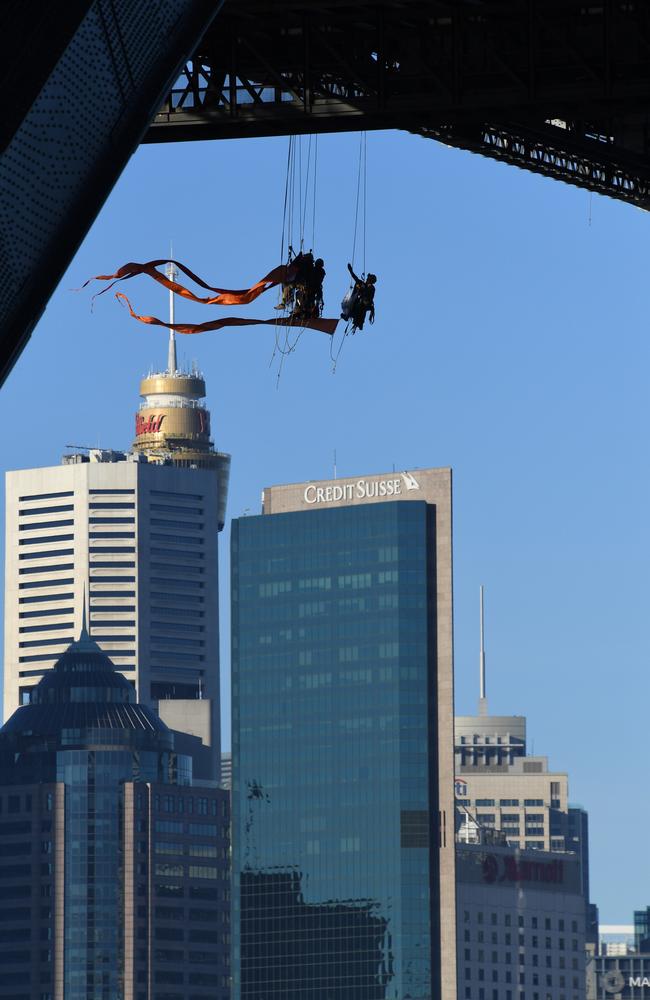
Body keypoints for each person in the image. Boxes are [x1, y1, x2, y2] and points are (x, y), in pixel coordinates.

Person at [342, 263, 376, 331]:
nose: (367, 278)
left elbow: (370, 298)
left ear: (371, 280)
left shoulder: (372, 288)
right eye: (368, 277)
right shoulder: (362, 283)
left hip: (366, 303)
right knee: (355, 302)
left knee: (360, 304)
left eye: (369, 278)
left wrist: (365, 300)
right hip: (361, 301)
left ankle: (358, 322)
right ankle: (348, 316)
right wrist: (350, 271)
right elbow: (355, 278)